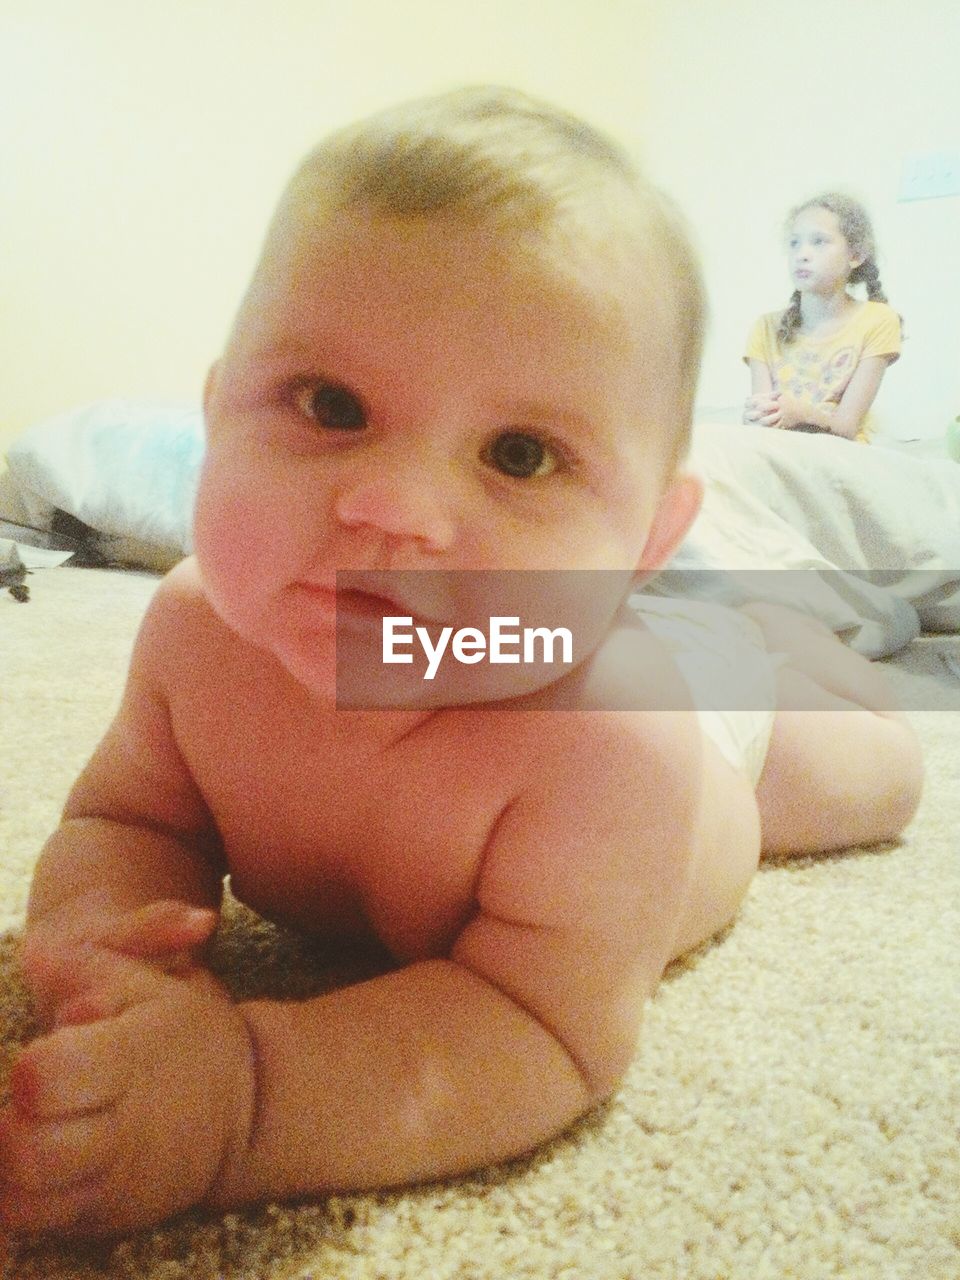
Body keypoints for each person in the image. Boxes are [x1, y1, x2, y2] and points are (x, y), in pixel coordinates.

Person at [0, 89, 922, 1239]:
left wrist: (247, 1099)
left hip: (704, 736)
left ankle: (758, 636)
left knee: (882, 779)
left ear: (640, 540)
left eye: (521, 454)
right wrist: (104, 943)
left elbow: (541, 1027)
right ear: (217, 407)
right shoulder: (198, 631)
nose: (395, 508)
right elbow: (125, 820)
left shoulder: (609, 738)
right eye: (332, 404)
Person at [743, 193, 902, 442]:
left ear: (855, 255)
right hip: (778, 453)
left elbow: (847, 429)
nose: (802, 254)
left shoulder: (879, 321)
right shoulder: (765, 327)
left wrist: (803, 414)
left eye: (819, 241)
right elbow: (763, 420)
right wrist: (756, 418)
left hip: (841, 458)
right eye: (795, 243)